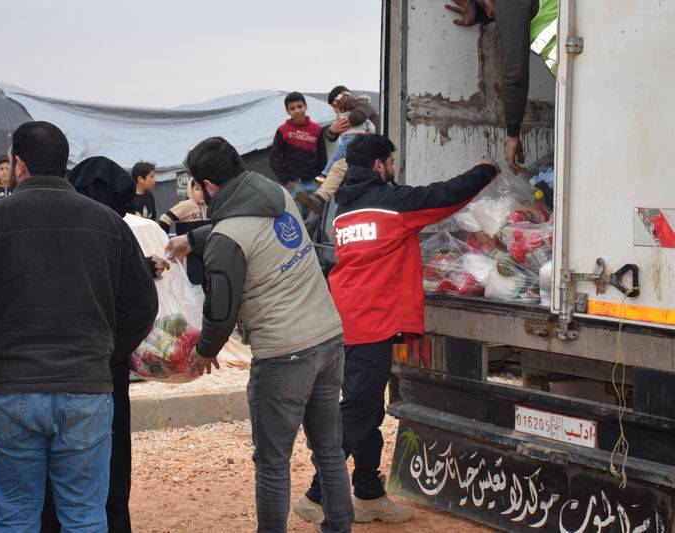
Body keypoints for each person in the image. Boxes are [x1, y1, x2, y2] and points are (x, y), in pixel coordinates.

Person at [0, 121, 158, 533]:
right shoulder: (109, 224)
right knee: (86, 516)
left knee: (17, 516)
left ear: (18, 164)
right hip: (86, 390)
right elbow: (141, 308)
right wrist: (102, 354)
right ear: (63, 163)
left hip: (10, 389)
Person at [294, 134, 499, 526]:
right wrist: (485, 171)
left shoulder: (343, 209)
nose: (394, 168)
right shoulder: (392, 204)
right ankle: (316, 495)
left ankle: (368, 493)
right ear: (378, 165)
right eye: (391, 161)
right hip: (370, 323)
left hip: (349, 319)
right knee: (357, 411)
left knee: (367, 409)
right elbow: (444, 196)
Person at [166, 137, 354, 533]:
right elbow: (243, 227)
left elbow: (221, 312)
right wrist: (192, 239)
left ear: (209, 186)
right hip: (328, 339)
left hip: (283, 356)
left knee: (272, 463)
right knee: (329, 452)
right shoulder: (276, 195)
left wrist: (204, 351)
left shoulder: (228, 238)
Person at [36, 155, 168, 533]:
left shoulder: (47, 227)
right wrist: (113, 352)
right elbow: (133, 301)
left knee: (49, 468)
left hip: (42, 368)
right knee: (107, 467)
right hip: (103, 375)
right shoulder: (115, 231)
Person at [445, 0, 558, 174]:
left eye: (483, 5)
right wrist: (481, 15)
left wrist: (513, 134)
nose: (491, 14)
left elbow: (515, 75)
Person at [296, 86, 380, 215]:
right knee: (339, 167)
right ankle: (320, 199)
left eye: (335, 105)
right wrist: (332, 130)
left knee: (339, 165)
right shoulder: (346, 112)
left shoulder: (362, 104)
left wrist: (344, 121)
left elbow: (358, 116)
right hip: (359, 151)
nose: (336, 110)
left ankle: (321, 196)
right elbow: (332, 137)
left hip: (370, 149)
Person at [269, 91, 328, 218]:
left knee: (315, 220)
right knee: (297, 219)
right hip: (295, 185)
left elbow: (323, 156)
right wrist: (286, 180)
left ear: (305, 106)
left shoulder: (316, 129)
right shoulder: (282, 130)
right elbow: (274, 158)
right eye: (292, 108)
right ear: (287, 111)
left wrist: (320, 178)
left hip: (314, 184)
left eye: (300, 106)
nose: (297, 111)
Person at [159, 178, 210, 304]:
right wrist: (163, 241)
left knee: (209, 282)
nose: (201, 192)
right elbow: (164, 219)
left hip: (207, 252)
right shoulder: (186, 205)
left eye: (203, 189)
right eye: (197, 189)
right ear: (190, 190)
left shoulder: (210, 206)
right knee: (193, 281)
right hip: (189, 253)